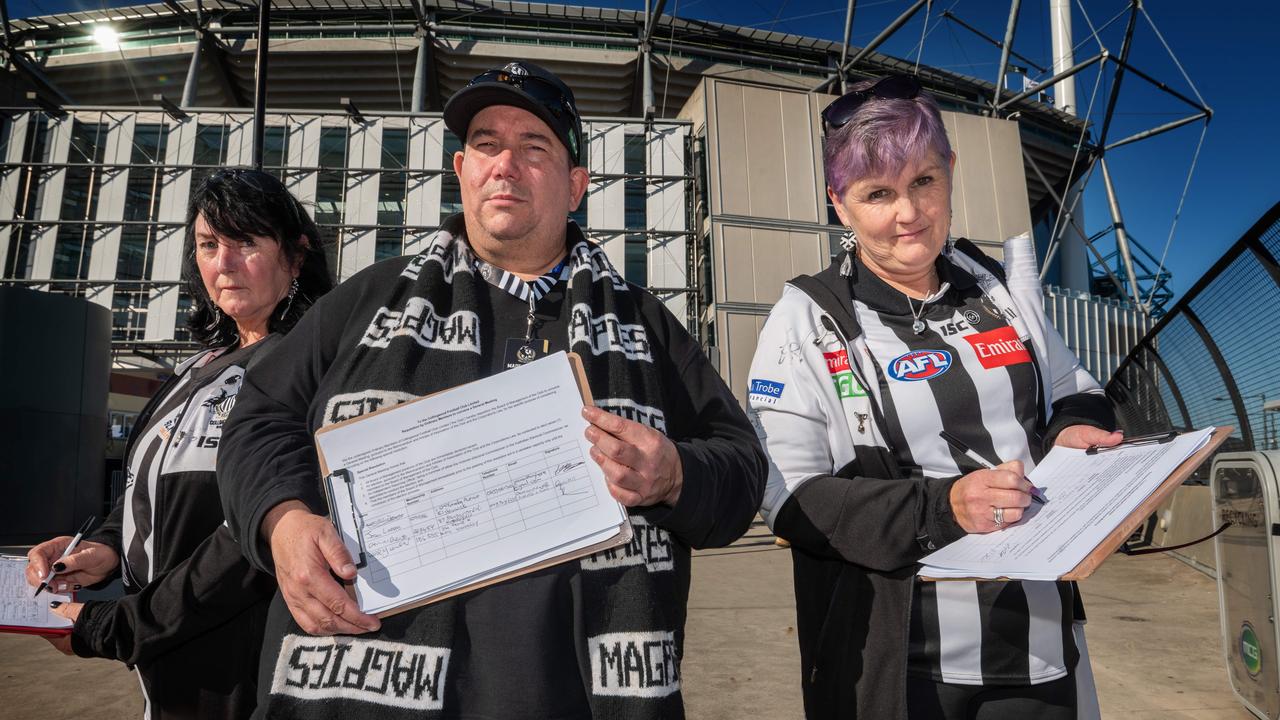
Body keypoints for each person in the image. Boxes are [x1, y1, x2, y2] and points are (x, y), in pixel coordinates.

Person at [216, 60, 766, 719]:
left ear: (576, 186)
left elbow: (741, 461)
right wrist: (282, 519)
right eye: (486, 145)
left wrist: (676, 473)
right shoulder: (364, 304)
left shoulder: (646, 326)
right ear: (461, 172)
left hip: (583, 698)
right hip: (361, 691)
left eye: (534, 148)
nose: (505, 165)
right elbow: (258, 419)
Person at [746, 74, 1123, 720]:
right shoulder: (806, 317)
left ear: (951, 171)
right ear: (840, 205)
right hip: (900, 669)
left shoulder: (994, 286)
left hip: (1037, 652)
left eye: (923, 180)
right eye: (877, 193)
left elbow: (1075, 391)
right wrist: (943, 507)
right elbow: (792, 501)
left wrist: (1074, 434)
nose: (908, 213)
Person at [25, 168, 333, 719]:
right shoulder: (199, 368)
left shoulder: (313, 368)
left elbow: (251, 539)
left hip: (251, 674)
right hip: (168, 675)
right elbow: (148, 492)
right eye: (209, 245)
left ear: (297, 254)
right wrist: (106, 549)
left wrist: (123, 626)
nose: (223, 263)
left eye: (245, 242)